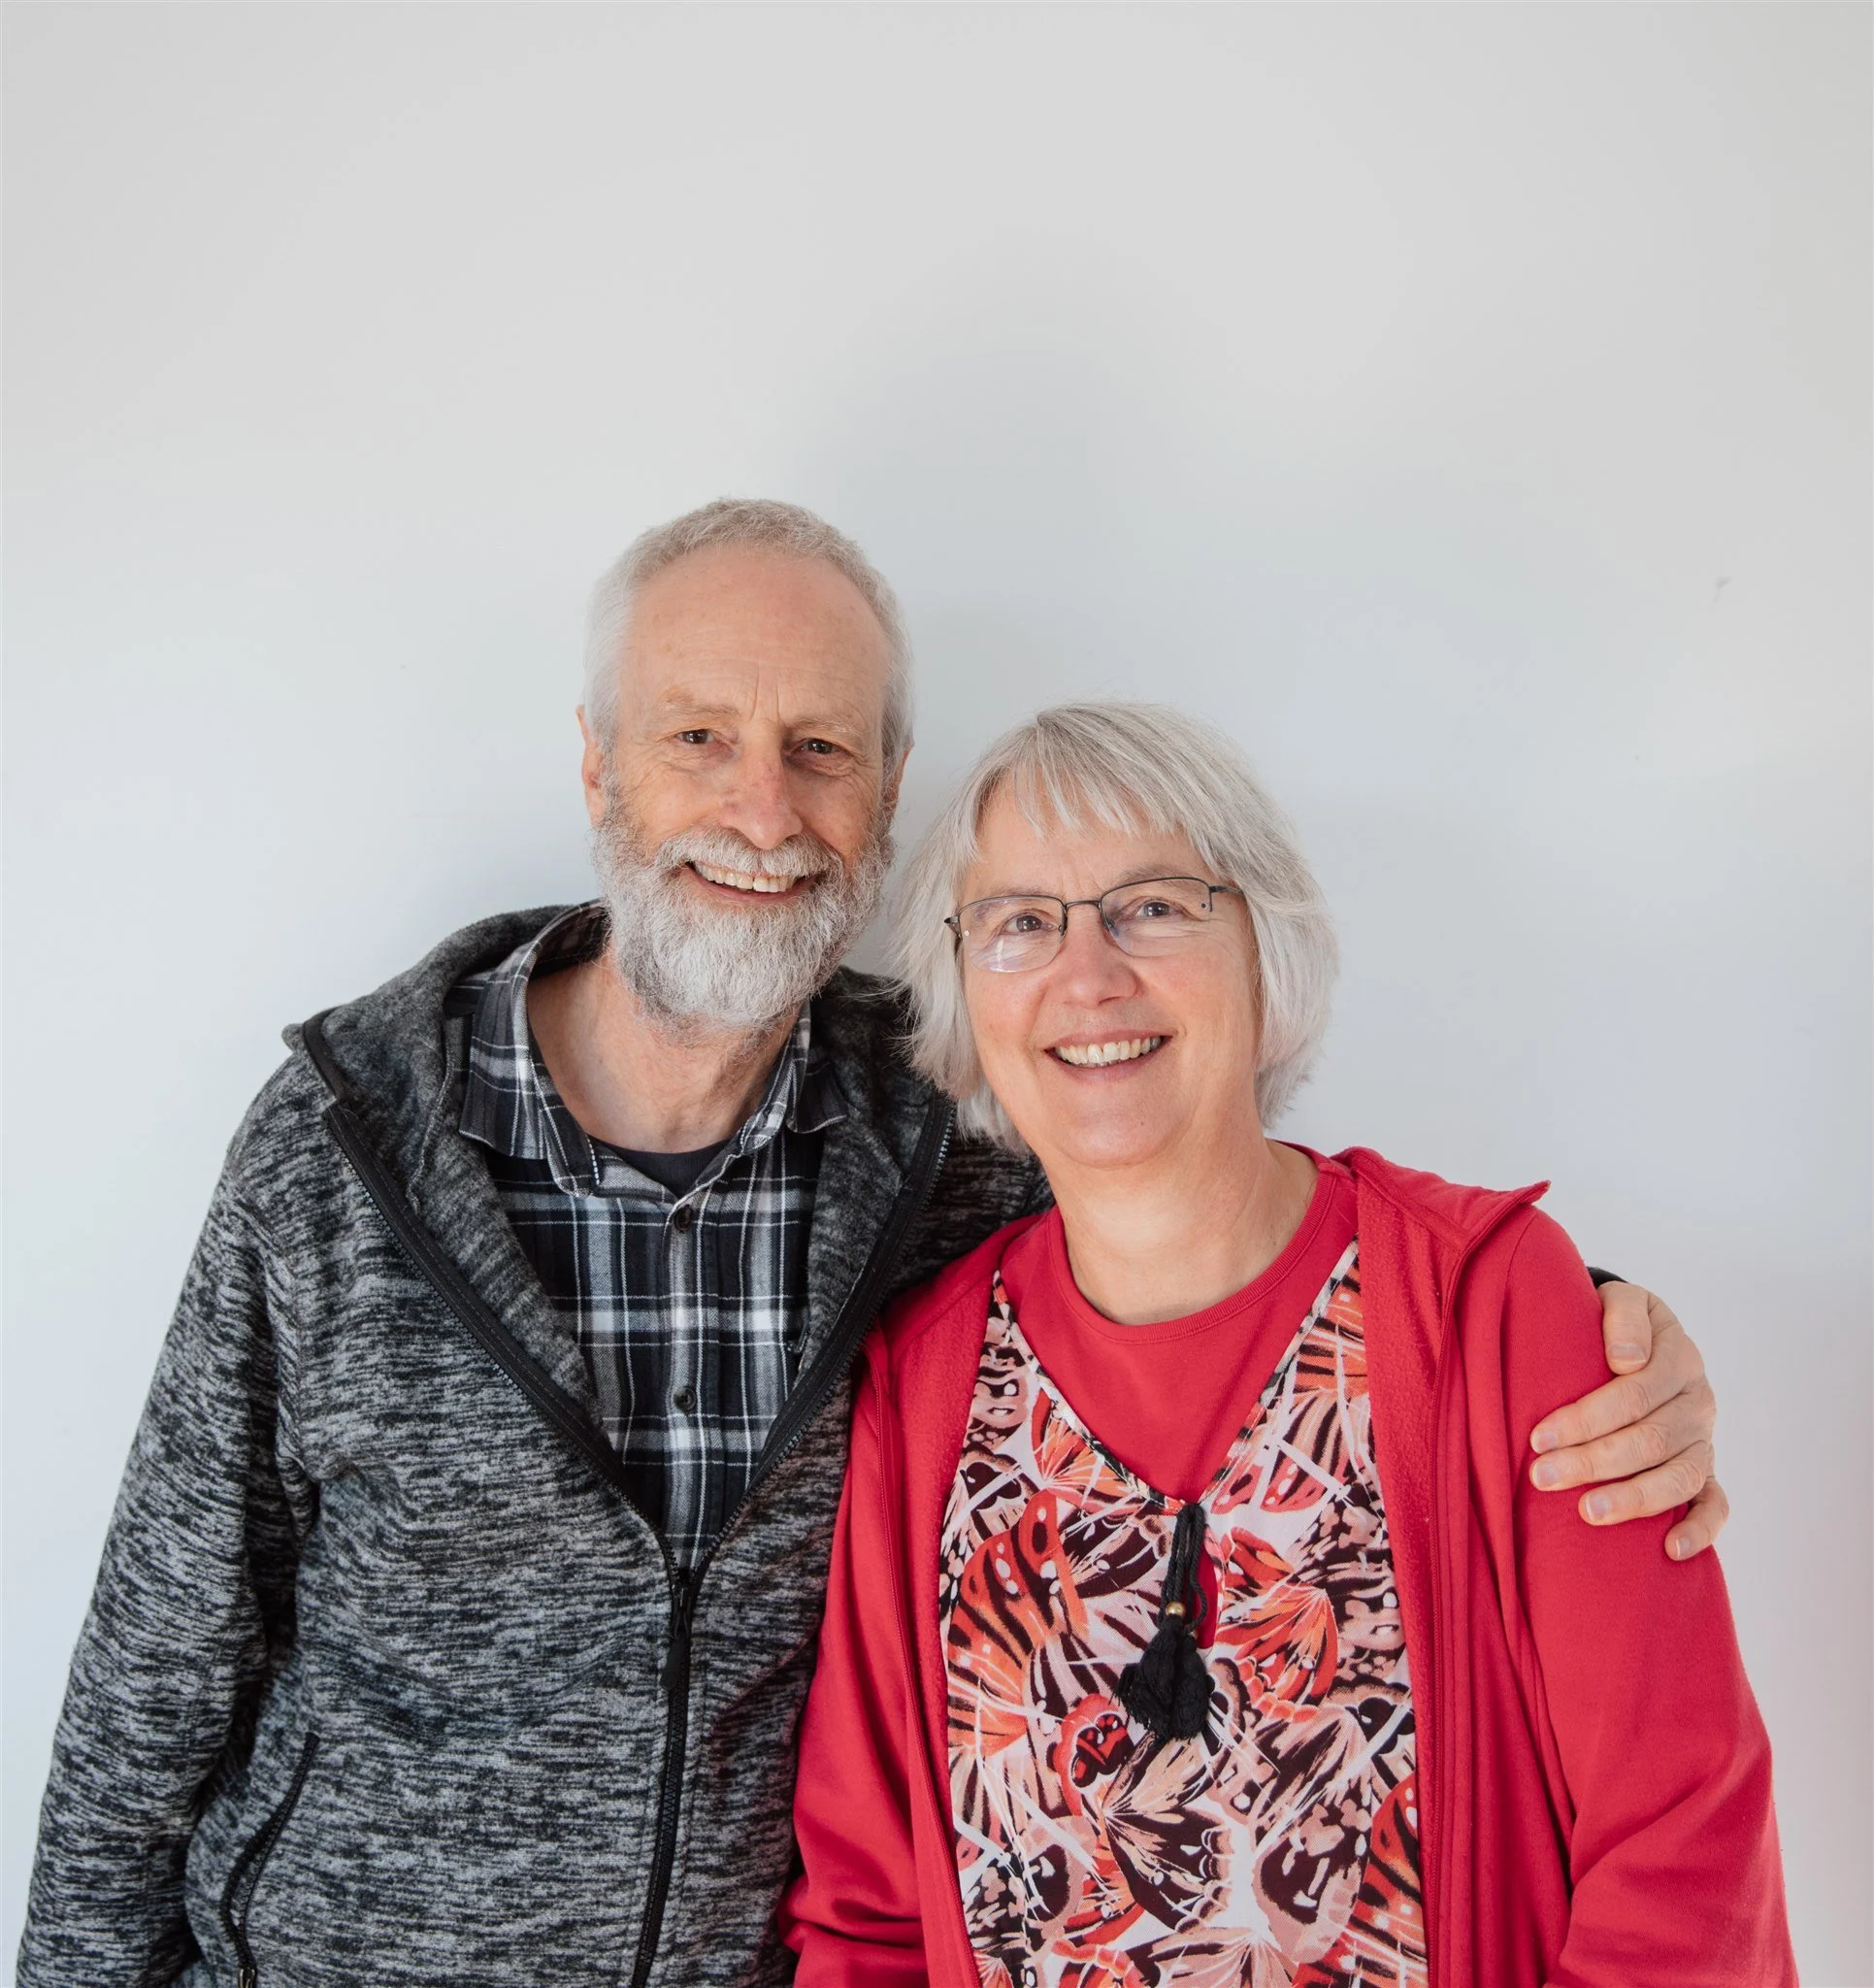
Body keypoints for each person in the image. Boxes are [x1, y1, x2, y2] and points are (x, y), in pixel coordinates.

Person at [22, 506, 1726, 1988]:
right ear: (599, 761)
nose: (760, 808)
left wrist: (1589, 1327)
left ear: (887, 793)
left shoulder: (951, 1146)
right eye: (697, 736)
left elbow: (1222, 1246)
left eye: (821, 750)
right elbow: (151, 1676)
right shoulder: (344, 1147)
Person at [783, 702, 1792, 1987]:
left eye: (1152, 904)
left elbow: (1679, 1840)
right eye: (1020, 921)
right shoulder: (920, 1383)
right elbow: (866, 1919)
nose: (1085, 974)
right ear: (962, 988)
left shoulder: (1491, 1309)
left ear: (1266, 949)